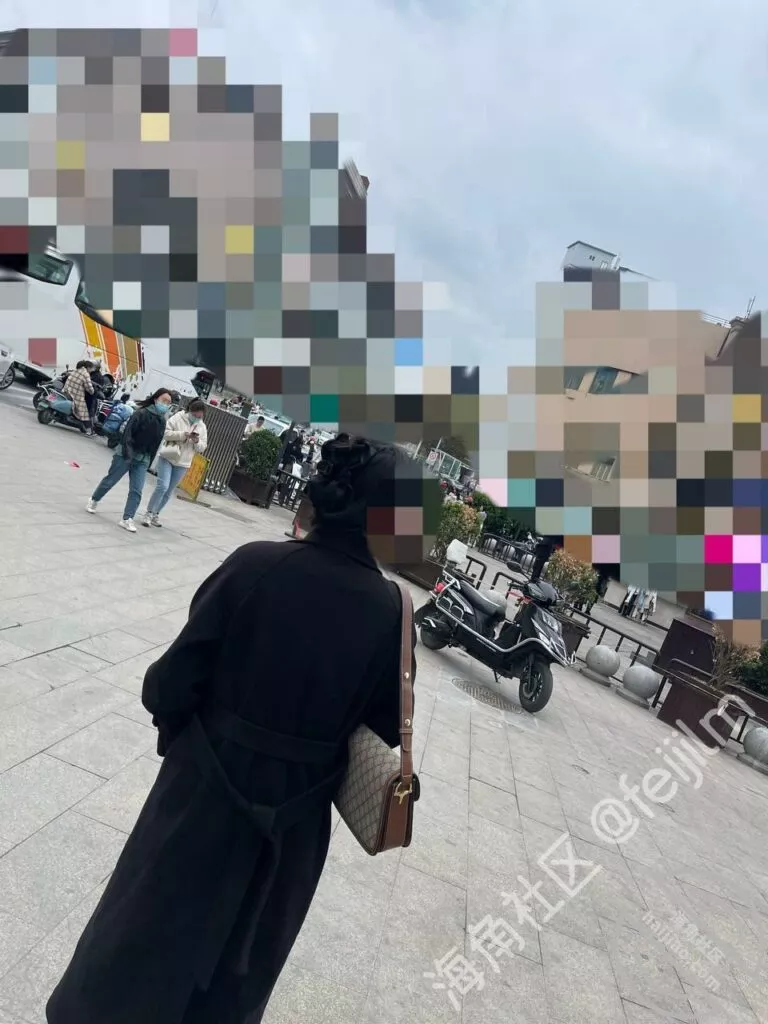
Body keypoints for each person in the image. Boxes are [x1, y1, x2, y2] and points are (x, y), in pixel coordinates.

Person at [47, 435, 439, 1024]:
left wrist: (190, 745)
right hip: (294, 827)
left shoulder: (257, 565)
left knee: (136, 950)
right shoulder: (392, 612)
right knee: (239, 976)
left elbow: (170, 684)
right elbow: (381, 724)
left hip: (202, 795)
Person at [86, 389, 173, 532]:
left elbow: (156, 443)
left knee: (137, 490)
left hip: (143, 459)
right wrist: (128, 454)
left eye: (168, 402)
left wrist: (149, 460)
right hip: (126, 454)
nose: (166, 404)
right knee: (110, 480)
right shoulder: (141, 413)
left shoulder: (162, 420)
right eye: (164, 400)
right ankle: (94, 499)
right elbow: (128, 434)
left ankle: (127, 518)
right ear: (155, 399)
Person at [143, 398, 209, 528]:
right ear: (190, 411)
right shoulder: (178, 417)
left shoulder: (202, 427)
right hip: (168, 456)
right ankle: (148, 512)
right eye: (195, 415)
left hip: (183, 463)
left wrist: (196, 441)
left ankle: (156, 513)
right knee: (163, 486)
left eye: (199, 417)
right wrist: (183, 434)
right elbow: (165, 433)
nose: (197, 418)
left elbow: (202, 447)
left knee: (169, 491)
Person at [62, 359, 95, 434]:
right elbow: (89, 387)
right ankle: (88, 429)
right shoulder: (85, 374)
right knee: (84, 410)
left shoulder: (76, 371)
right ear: (88, 367)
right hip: (75, 394)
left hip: (66, 391)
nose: (91, 371)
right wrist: (92, 391)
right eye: (91, 369)